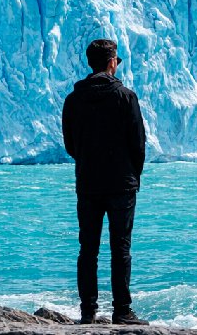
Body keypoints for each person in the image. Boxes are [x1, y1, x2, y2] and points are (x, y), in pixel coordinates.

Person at [62, 39, 149, 325]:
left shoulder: (74, 100)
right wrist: (132, 175)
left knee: (88, 248)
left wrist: (89, 162)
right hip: (121, 184)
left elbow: (70, 144)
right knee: (120, 248)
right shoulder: (126, 97)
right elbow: (138, 144)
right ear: (112, 62)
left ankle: (88, 311)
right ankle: (122, 311)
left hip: (88, 183)